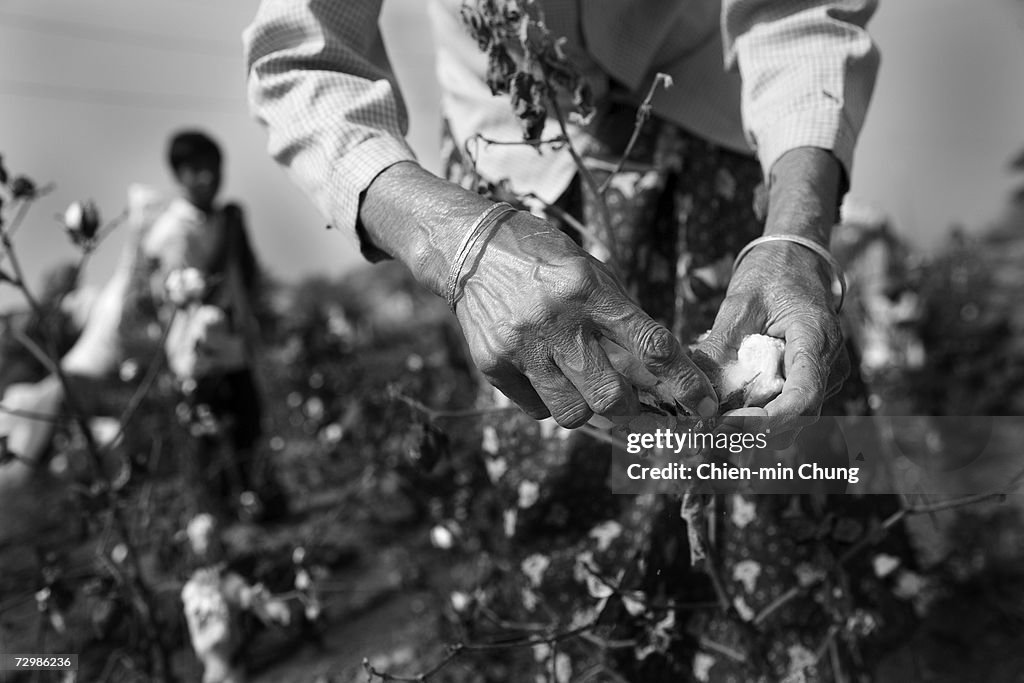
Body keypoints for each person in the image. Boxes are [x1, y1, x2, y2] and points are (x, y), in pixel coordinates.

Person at [243, 2, 909, 680]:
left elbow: (796, 13)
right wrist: (460, 246)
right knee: (581, 547)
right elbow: (303, 57)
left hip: (736, 160)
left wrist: (794, 236)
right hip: (513, 209)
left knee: (786, 512)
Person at [0, 130, 273, 519]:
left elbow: (244, 280)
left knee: (249, 432)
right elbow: (171, 296)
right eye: (197, 170)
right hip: (195, 359)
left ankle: (253, 507)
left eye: (214, 169)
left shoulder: (227, 221)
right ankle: (221, 527)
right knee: (208, 447)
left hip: (234, 350)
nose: (209, 178)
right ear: (179, 175)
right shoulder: (171, 233)